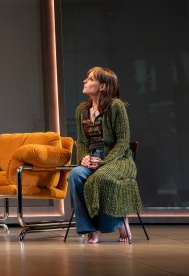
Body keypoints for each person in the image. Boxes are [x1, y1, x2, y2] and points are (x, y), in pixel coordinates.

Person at [68, 66, 143, 244]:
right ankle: (91, 229)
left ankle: (117, 221)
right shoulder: (82, 110)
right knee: (75, 175)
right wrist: (84, 158)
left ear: (102, 86)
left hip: (117, 160)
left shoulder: (117, 106)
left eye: (91, 79)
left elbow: (123, 142)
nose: (85, 81)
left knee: (101, 178)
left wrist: (103, 161)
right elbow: (82, 141)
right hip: (93, 158)